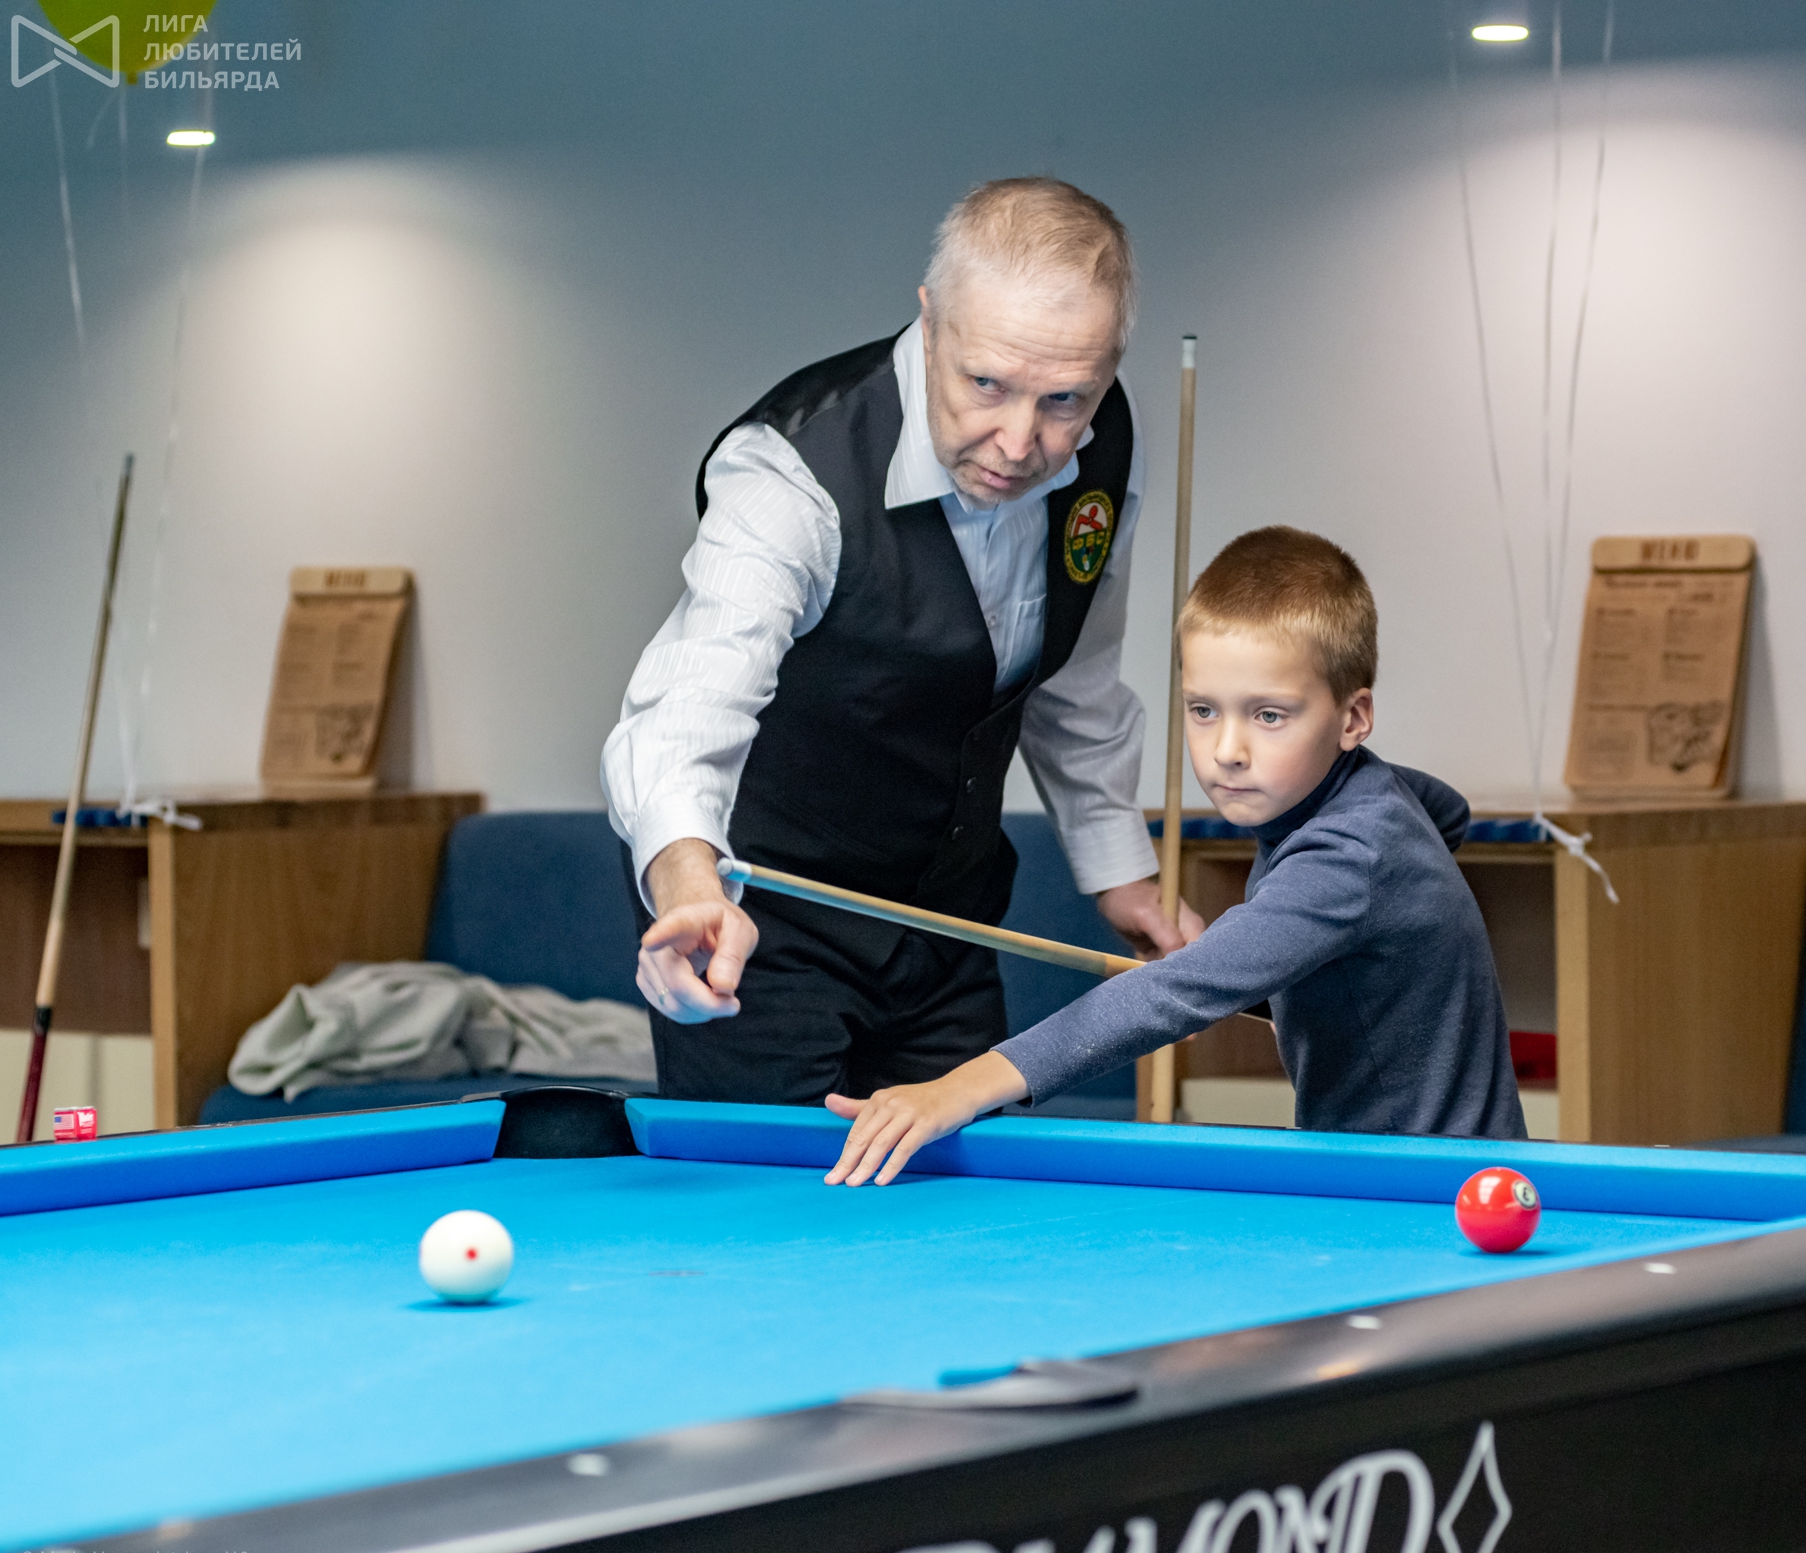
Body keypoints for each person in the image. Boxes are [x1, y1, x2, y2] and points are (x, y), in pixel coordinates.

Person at [601, 178, 1200, 1108]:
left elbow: (1072, 670)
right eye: (986, 384)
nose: (1019, 442)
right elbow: (688, 704)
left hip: (949, 926)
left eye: (1063, 399)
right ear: (930, 323)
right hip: (758, 930)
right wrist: (687, 885)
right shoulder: (791, 472)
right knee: (769, 1196)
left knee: (962, 1187)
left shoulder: (1105, 446)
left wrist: (1121, 872)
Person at [824, 525, 1527, 1185]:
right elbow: (1449, 812)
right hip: (1407, 1169)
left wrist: (958, 1088)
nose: (1228, 750)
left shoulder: (1348, 855)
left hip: (1424, 1189)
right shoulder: (1377, 800)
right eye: (1203, 710)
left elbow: (1173, 993)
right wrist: (1302, 960)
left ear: (1354, 718)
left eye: (1269, 715)